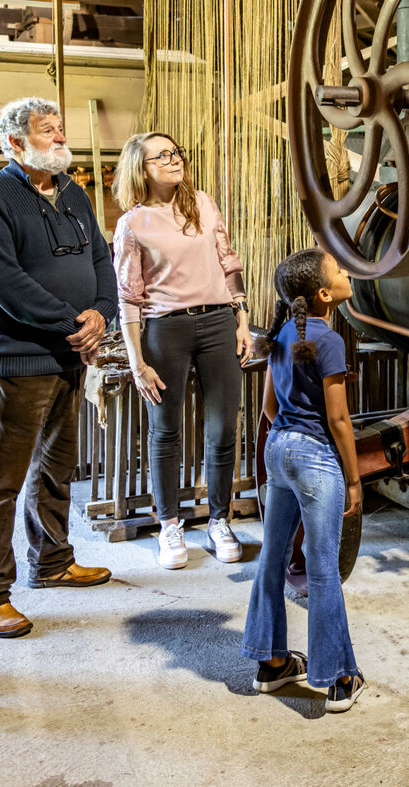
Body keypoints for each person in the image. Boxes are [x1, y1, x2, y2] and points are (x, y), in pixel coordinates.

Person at [0, 97, 115, 638]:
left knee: (56, 467)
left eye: (60, 129)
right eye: (47, 131)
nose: (58, 138)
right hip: (18, 360)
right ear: (15, 143)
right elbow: (3, 282)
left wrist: (102, 313)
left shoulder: (74, 192)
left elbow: (102, 258)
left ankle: (52, 562)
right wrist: (72, 321)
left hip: (71, 355)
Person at [111, 132, 254, 569]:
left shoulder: (203, 204)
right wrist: (137, 360)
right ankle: (169, 525)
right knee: (166, 429)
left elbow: (228, 263)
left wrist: (242, 317)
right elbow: (129, 296)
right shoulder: (132, 224)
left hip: (217, 323)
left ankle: (219, 520)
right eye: (163, 155)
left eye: (177, 152)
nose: (176, 160)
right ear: (142, 168)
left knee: (222, 428)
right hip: (164, 328)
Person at [241, 249, 365, 712]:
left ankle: (272, 665)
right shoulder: (329, 340)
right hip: (314, 458)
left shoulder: (280, 335)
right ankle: (337, 678)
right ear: (324, 294)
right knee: (322, 568)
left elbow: (268, 408)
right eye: (339, 270)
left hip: (278, 449)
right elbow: (338, 419)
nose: (346, 271)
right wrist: (353, 479)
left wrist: (288, 440)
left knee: (272, 557)